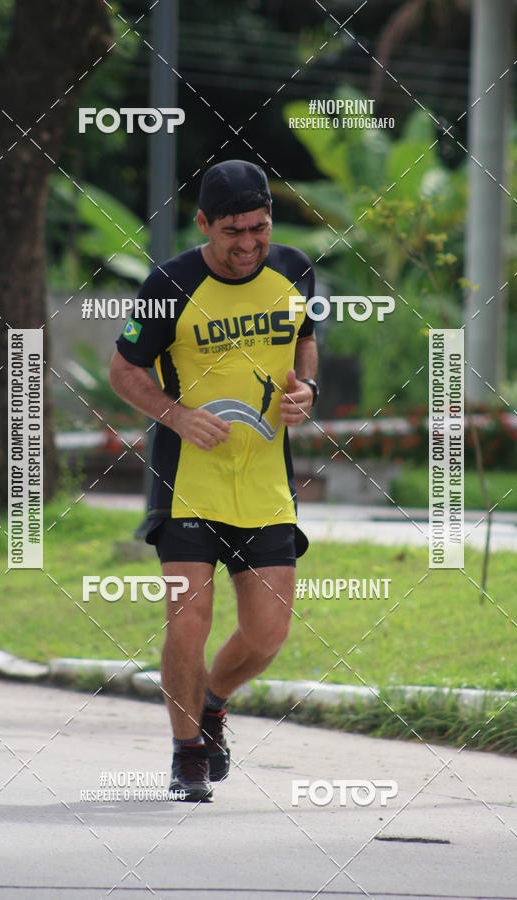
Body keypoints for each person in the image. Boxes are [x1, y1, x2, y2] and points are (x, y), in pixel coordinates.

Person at [109, 159, 319, 802]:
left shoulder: (296, 271)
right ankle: (186, 752)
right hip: (187, 486)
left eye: (258, 227)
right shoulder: (169, 284)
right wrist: (174, 415)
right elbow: (124, 371)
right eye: (232, 231)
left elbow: (306, 341)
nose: (248, 242)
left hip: (264, 488)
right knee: (188, 623)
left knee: (266, 635)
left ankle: (211, 704)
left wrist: (307, 390)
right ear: (204, 224)